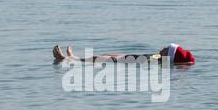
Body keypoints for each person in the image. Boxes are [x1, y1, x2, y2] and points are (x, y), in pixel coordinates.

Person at [52, 43, 195, 64]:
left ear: (168, 54)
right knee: (109, 53)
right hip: (129, 58)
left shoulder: (159, 62)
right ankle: (74, 57)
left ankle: (68, 59)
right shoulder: (159, 58)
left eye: (166, 48)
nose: (163, 47)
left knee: (99, 58)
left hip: (128, 62)